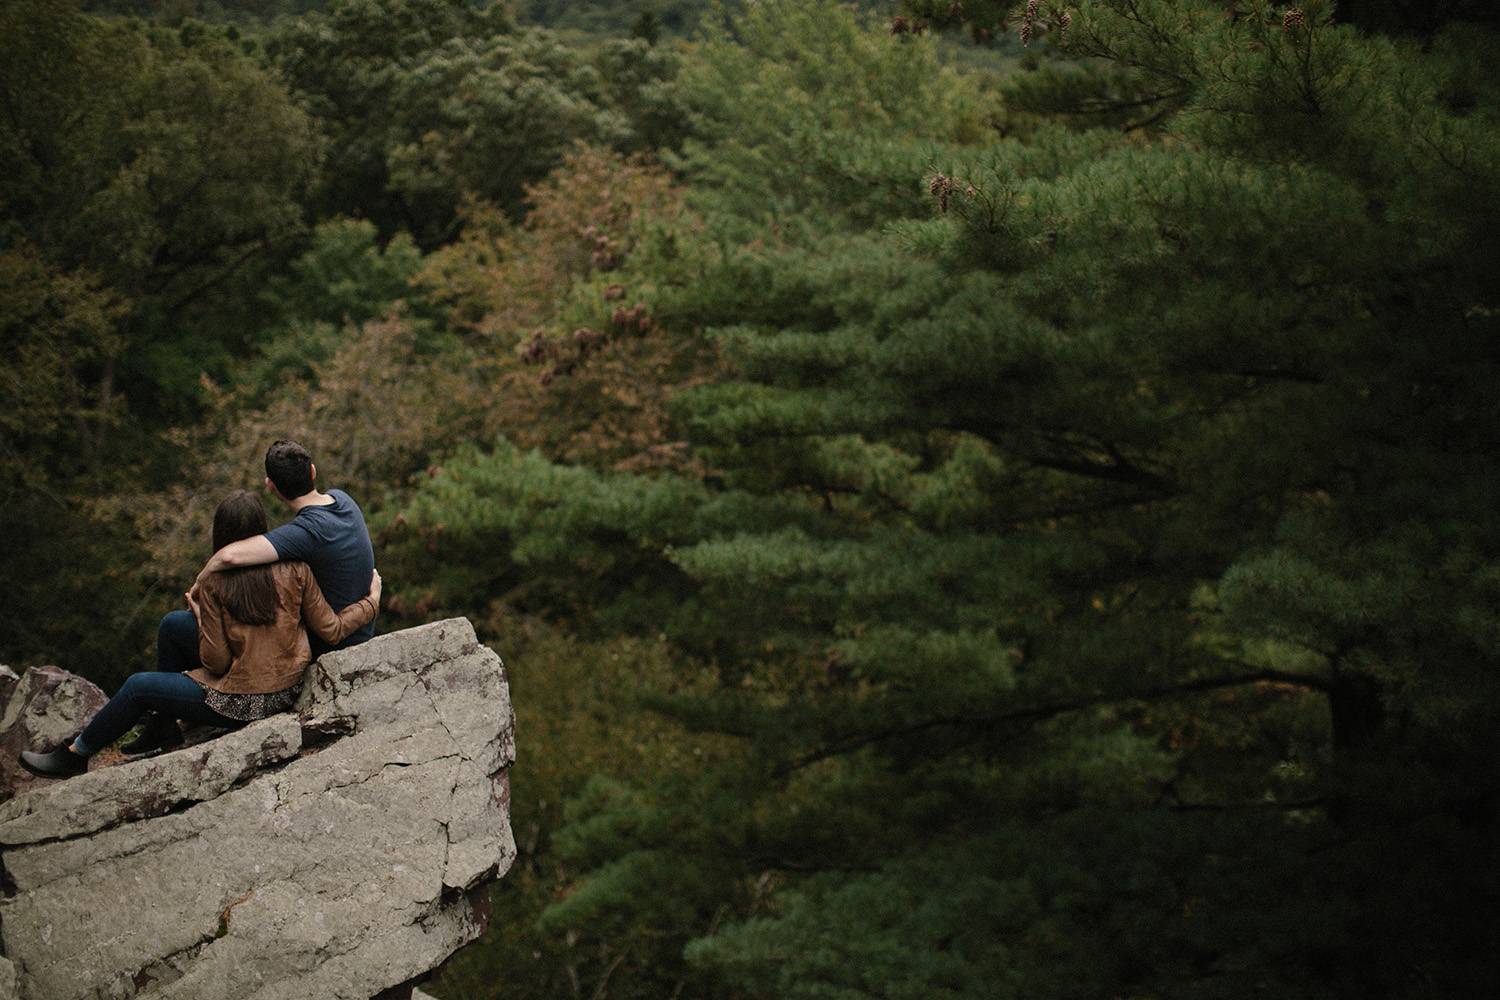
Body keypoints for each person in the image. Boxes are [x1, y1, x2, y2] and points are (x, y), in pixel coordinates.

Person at [19, 490, 380, 779]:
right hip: (286, 689)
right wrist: (370, 604)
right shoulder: (297, 568)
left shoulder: (216, 584)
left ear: (221, 536)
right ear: (263, 528)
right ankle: (162, 727)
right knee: (173, 624)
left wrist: (206, 620)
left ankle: (74, 755)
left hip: (242, 702)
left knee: (137, 687)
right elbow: (331, 629)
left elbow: (217, 662)